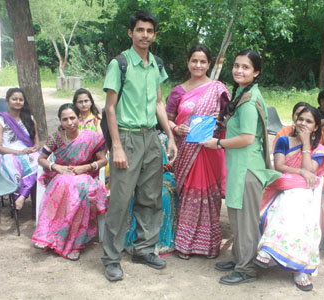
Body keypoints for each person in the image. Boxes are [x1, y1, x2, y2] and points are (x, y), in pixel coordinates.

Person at [101, 10, 178, 281]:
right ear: (130, 32)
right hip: (127, 137)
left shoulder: (156, 63)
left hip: (151, 138)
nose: (145, 35)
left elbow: (159, 103)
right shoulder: (119, 63)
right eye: (140, 30)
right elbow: (110, 109)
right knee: (121, 201)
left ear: (154, 35)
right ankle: (111, 258)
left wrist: (169, 136)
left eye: (149, 31)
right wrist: (117, 147)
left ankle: (144, 249)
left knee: (151, 198)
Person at [201, 50, 279, 285]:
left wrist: (218, 143)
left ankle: (247, 269)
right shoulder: (242, 93)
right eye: (236, 66)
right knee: (236, 215)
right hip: (239, 166)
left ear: (256, 72)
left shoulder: (249, 100)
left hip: (247, 168)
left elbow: (246, 138)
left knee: (245, 221)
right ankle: (239, 259)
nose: (239, 70)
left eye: (245, 67)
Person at [256, 106, 324, 291]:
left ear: (315, 127)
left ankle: (293, 264)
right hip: (281, 189)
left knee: (297, 204)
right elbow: (280, 167)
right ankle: (293, 266)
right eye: (301, 119)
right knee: (292, 198)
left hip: (304, 193)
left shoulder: (319, 149)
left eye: (308, 121)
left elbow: (312, 171)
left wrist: (306, 145)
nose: (303, 124)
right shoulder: (283, 140)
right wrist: (300, 173)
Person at [165, 44, 230, 260]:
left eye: (203, 61)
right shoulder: (178, 91)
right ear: (188, 63)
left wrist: (218, 121)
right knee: (189, 193)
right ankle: (185, 244)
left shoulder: (218, 89)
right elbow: (167, 118)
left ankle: (209, 244)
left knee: (208, 195)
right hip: (185, 149)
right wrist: (175, 128)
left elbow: (228, 119)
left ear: (209, 64)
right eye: (194, 60)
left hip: (209, 149)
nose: (198, 65)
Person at [32, 103, 108, 261]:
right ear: (60, 121)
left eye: (72, 117)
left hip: (85, 176)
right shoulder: (56, 138)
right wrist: (55, 166)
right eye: (65, 119)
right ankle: (47, 236)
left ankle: (74, 244)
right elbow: (41, 159)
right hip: (62, 176)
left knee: (77, 189)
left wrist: (87, 167)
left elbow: (103, 161)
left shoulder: (92, 137)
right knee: (64, 183)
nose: (69, 122)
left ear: (79, 117)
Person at [0, 87, 40, 212]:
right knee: (23, 163)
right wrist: (19, 152)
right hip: (7, 154)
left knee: (41, 162)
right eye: (14, 99)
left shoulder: (29, 118)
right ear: (7, 101)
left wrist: (34, 148)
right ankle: (21, 195)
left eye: (20, 99)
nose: (18, 101)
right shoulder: (0, 120)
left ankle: (23, 196)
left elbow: (36, 141)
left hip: (28, 152)